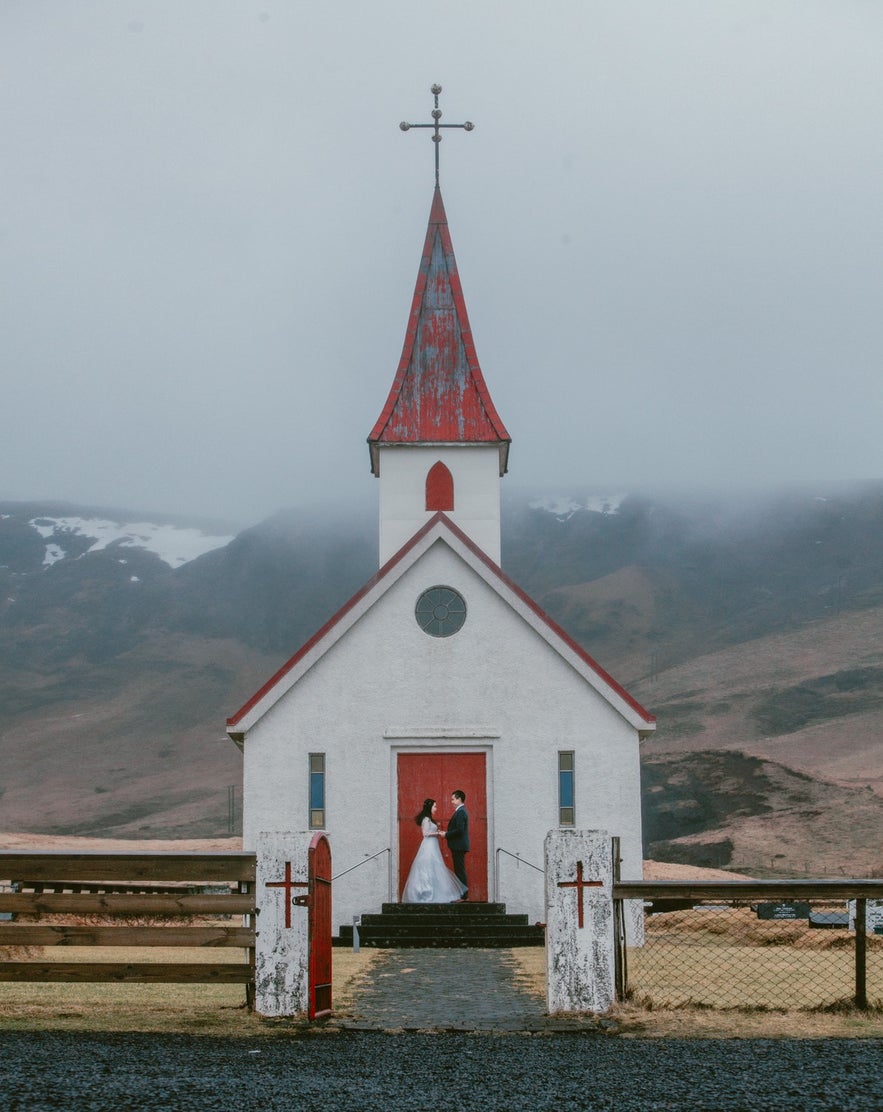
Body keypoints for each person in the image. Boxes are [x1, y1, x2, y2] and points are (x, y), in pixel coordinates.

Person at [401, 798, 467, 903]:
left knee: (434, 867)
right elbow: (426, 833)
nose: (436, 809)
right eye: (435, 806)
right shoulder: (426, 819)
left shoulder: (429, 819)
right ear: (430, 807)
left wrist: (438, 831)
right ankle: (426, 893)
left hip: (433, 845)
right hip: (428, 846)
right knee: (428, 867)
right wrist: (439, 833)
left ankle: (433, 891)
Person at [442, 789, 469, 901]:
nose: (451, 801)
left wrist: (446, 834)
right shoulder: (461, 811)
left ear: (459, 799)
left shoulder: (461, 812)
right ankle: (462, 895)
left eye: (453, 799)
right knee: (459, 870)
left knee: (459, 871)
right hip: (458, 846)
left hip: (458, 846)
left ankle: (463, 896)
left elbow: (460, 830)